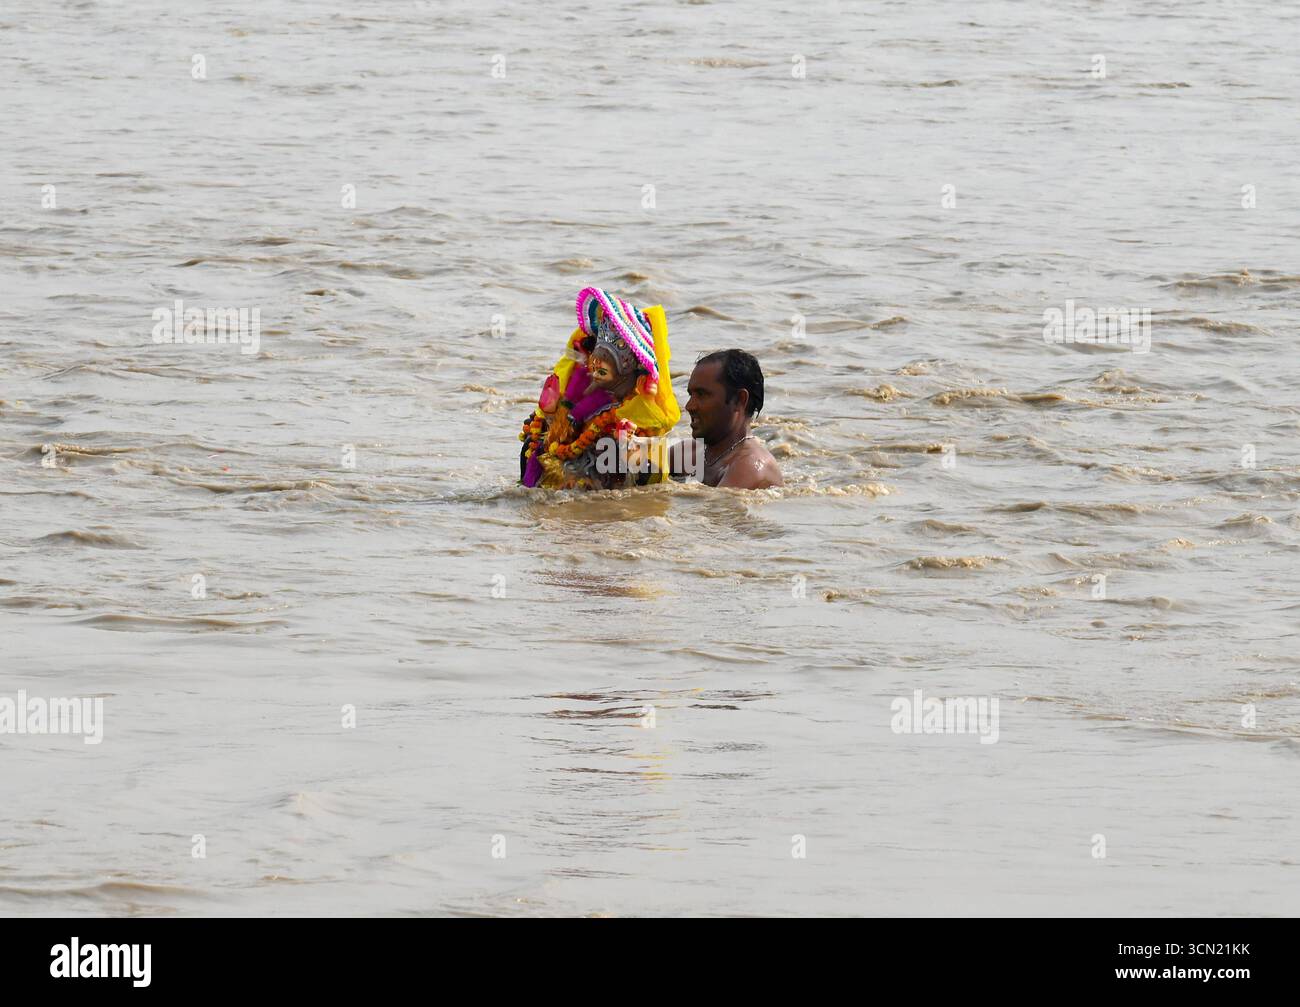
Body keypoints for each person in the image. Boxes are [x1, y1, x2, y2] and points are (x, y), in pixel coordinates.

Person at [676, 349, 783, 489]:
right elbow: (640, 463)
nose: (689, 406)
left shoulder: (750, 466)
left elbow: (712, 509)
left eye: (702, 394)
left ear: (739, 400)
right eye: (691, 395)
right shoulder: (690, 452)